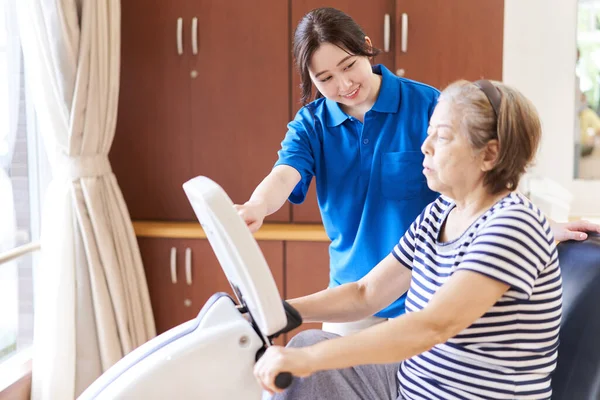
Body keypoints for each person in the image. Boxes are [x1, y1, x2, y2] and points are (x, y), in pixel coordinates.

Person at [235, 7, 599, 336]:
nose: (344, 85)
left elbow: (480, 179)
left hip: (427, 290)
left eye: (348, 66)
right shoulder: (311, 125)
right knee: (324, 368)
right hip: (354, 292)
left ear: (366, 46)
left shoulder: (429, 105)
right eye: (325, 78)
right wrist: (256, 205)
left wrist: (539, 223)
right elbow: (285, 174)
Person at [254, 79, 562, 400]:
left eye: (442, 137)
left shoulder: (512, 224)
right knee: (306, 344)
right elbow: (365, 293)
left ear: (489, 154)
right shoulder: (440, 212)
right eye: (429, 133)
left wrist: (308, 361)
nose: (425, 146)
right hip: (407, 386)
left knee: (309, 358)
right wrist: (276, 313)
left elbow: (432, 326)